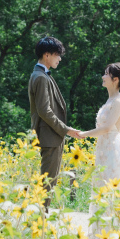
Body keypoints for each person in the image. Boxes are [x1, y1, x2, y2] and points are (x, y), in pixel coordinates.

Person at [77, 62, 120, 239]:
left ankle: (116, 236)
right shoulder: (110, 100)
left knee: (113, 191)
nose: (103, 77)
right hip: (104, 149)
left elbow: (108, 127)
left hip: (113, 151)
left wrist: (83, 134)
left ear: (115, 79)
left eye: (106, 74)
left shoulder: (118, 101)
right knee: (101, 189)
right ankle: (100, 235)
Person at [28, 36, 82, 211]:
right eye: (57, 55)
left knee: (50, 180)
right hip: (49, 136)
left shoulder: (40, 74)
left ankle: (40, 218)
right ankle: (39, 221)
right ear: (47, 55)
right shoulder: (41, 77)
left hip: (50, 136)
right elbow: (45, 111)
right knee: (48, 181)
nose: (60, 59)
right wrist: (66, 130)